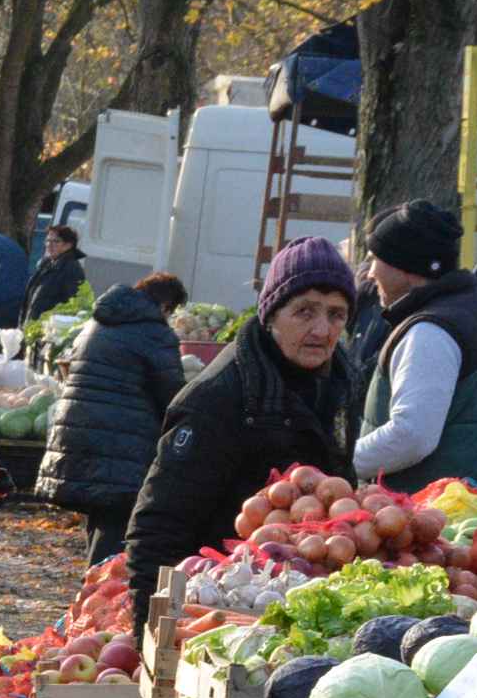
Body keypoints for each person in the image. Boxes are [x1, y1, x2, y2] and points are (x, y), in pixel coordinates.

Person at [122, 238, 357, 617]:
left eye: (336, 314)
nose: (321, 328)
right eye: (304, 311)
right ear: (270, 315)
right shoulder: (219, 396)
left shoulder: (342, 381)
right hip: (222, 604)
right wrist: (151, 639)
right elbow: (159, 525)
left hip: (301, 597)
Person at [351, 200, 477, 500]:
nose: (369, 273)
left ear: (406, 267)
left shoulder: (432, 331)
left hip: (437, 525)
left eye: (376, 259)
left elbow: (412, 436)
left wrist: (340, 461)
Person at [37, 271, 189, 562]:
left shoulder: (97, 322)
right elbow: (172, 395)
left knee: (99, 519)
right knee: (115, 526)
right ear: (165, 306)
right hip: (122, 442)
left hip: (79, 433)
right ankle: (100, 598)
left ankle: (93, 590)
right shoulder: (155, 333)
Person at [26, 223, 89, 319]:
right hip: (31, 328)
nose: (49, 245)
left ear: (68, 245)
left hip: (49, 329)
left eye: (56, 241)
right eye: (47, 240)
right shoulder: (46, 264)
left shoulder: (71, 269)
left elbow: (73, 305)